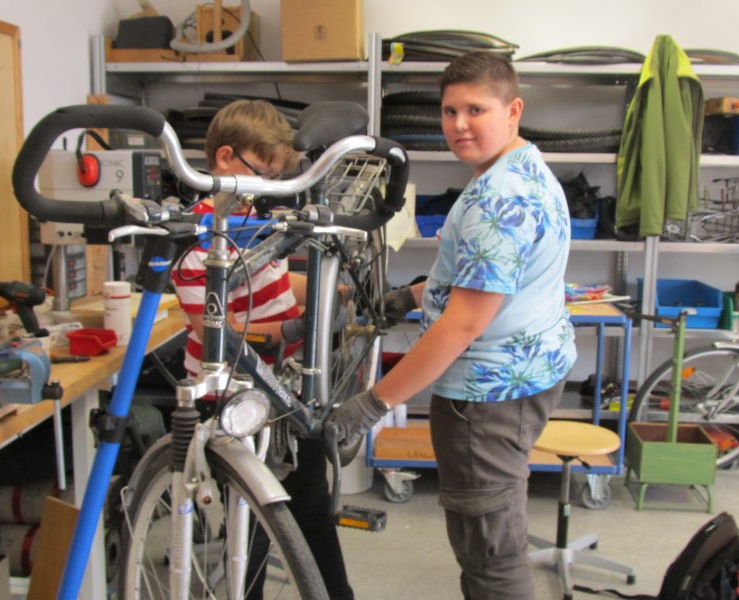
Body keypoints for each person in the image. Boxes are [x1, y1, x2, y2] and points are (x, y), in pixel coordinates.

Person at [328, 52, 576, 599]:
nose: (459, 125)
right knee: (496, 526)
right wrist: (409, 296)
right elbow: (486, 279)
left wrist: (369, 406)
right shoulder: (524, 168)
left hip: (484, 400)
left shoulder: (497, 199)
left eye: (475, 110)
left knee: (490, 553)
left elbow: (462, 325)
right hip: (526, 376)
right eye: (448, 111)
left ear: (513, 110)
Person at [172, 99, 355, 600]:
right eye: (265, 174)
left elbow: (275, 282)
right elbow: (219, 329)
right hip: (234, 402)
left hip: (284, 392)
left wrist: (327, 289)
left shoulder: (251, 220)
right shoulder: (199, 238)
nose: (270, 189)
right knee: (249, 525)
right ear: (226, 158)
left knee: (313, 509)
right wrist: (299, 329)